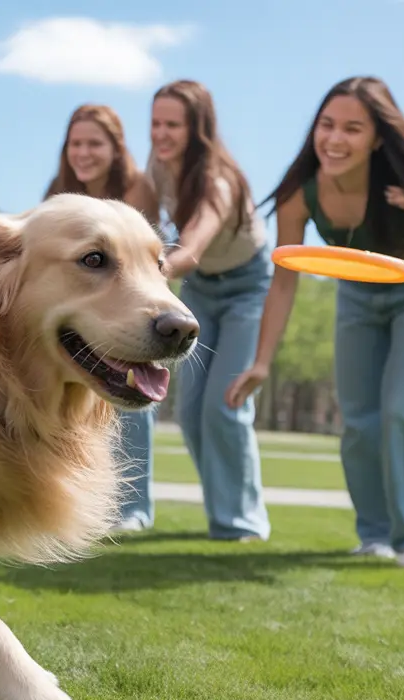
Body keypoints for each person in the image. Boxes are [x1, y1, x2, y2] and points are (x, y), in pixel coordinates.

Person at [225, 76, 404, 572]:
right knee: (360, 420)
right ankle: (376, 534)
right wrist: (262, 361)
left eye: (352, 128)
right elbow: (284, 281)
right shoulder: (300, 193)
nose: (334, 139)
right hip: (358, 293)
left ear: (378, 138)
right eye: (327, 125)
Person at [148, 80, 272, 544]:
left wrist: (142, 268)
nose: (161, 134)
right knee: (193, 409)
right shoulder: (158, 167)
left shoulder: (220, 179)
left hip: (246, 285)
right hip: (200, 288)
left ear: (198, 128)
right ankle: (224, 510)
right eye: (156, 123)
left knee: (227, 402)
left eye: (172, 125)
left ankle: (242, 522)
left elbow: (193, 246)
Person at [44, 103, 160, 532]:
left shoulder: (137, 191)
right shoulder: (59, 196)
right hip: (86, 319)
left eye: (95, 143)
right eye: (76, 143)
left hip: (133, 311)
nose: (84, 152)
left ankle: (134, 508)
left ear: (116, 149)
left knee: (133, 403)